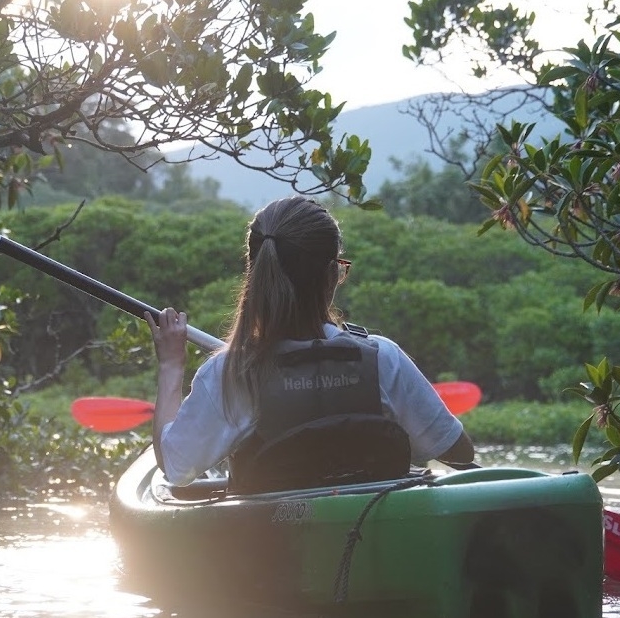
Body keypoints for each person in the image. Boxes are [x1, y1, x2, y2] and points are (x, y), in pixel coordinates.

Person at [145, 196, 474, 491]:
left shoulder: (230, 373)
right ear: (331, 276)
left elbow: (175, 468)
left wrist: (171, 365)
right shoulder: (382, 358)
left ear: (255, 272)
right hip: (375, 547)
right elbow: (458, 453)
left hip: (273, 552)